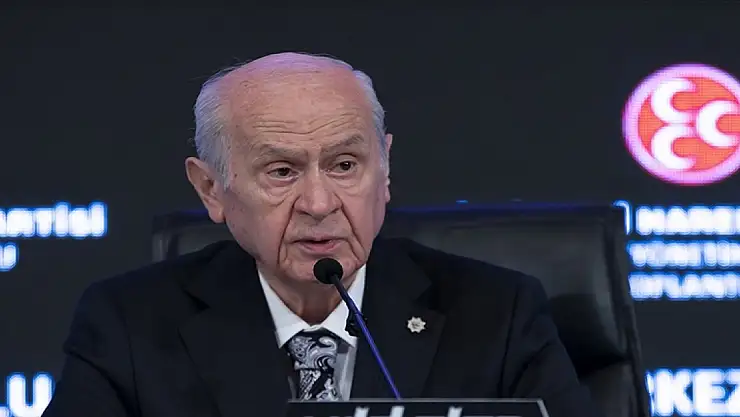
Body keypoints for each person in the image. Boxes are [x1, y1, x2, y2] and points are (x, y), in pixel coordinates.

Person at [43, 52, 601, 417]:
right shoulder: (129, 326)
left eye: (344, 165)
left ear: (384, 170)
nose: (318, 203)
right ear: (211, 188)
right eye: (282, 171)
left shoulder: (498, 316)